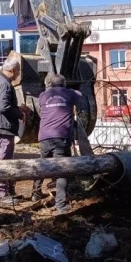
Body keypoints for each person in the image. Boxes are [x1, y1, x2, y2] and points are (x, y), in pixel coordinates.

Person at [32, 73, 84, 214]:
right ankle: (60, 205)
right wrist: (71, 89)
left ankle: (35, 193)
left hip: (43, 137)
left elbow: (39, 105)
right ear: (64, 83)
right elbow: (81, 96)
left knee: (42, 165)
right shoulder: (70, 94)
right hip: (61, 137)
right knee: (62, 170)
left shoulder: (43, 95)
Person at [0, 55, 29, 205]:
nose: (18, 74)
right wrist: (20, 114)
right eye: (17, 71)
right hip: (2, 127)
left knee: (7, 159)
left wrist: (18, 108)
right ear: (11, 70)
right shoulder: (3, 83)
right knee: (3, 161)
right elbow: (3, 107)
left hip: (0, 125)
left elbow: (4, 104)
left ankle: (8, 191)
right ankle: (1, 194)